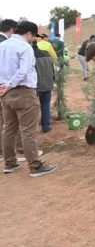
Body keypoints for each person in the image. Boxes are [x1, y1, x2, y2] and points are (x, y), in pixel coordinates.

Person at [0, 21, 58, 176]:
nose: (33, 40)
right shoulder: (25, 47)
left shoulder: (2, 46)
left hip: (5, 94)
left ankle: (10, 163)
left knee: (8, 129)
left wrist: (5, 86)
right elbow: (23, 71)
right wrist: (10, 84)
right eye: (33, 36)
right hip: (23, 93)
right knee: (28, 132)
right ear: (29, 34)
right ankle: (35, 166)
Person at [0, 19, 24, 161]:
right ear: (12, 30)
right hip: (7, 88)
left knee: (5, 122)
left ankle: (5, 153)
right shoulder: (6, 44)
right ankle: (18, 151)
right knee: (10, 122)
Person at [32, 40, 54, 133]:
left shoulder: (28, 55)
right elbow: (52, 69)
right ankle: (46, 126)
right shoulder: (47, 54)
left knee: (32, 108)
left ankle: (32, 129)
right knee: (45, 106)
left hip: (35, 86)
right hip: (47, 84)